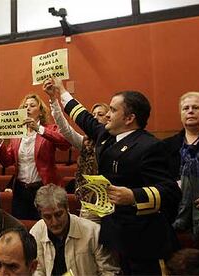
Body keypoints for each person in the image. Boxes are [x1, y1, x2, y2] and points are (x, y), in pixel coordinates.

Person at [46, 77, 182, 275]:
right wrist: (61, 91)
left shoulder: (149, 146)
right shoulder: (107, 136)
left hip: (143, 239)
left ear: (129, 118)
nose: (107, 115)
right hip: (116, 233)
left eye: (113, 110)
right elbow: (83, 116)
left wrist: (133, 195)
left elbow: (170, 191)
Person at [0, 94, 71, 220]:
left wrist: (38, 128)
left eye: (32, 105)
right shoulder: (17, 134)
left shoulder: (49, 129)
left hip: (44, 188)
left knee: (44, 226)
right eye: (25, 106)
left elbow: (65, 144)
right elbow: (6, 162)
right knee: (22, 227)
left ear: (40, 112)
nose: (27, 108)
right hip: (20, 190)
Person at [43, 78, 109, 222]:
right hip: (89, 202)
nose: (96, 117)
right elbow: (65, 129)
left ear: (109, 118)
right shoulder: (85, 142)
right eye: (94, 115)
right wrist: (53, 100)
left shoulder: (113, 141)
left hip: (111, 202)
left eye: (101, 114)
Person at [29, 184, 120, 276]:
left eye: (59, 214)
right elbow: (36, 270)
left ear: (67, 208)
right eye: (48, 217)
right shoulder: (36, 232)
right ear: (40, 215)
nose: (55, 222)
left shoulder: (93, 232)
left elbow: (109, 272)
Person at [163, 91, 199, 250]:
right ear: (181, 115)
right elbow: (158, 180)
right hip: (174, 218)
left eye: (196, 107)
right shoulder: (165, 146)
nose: (190, 111)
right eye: (185, 108)